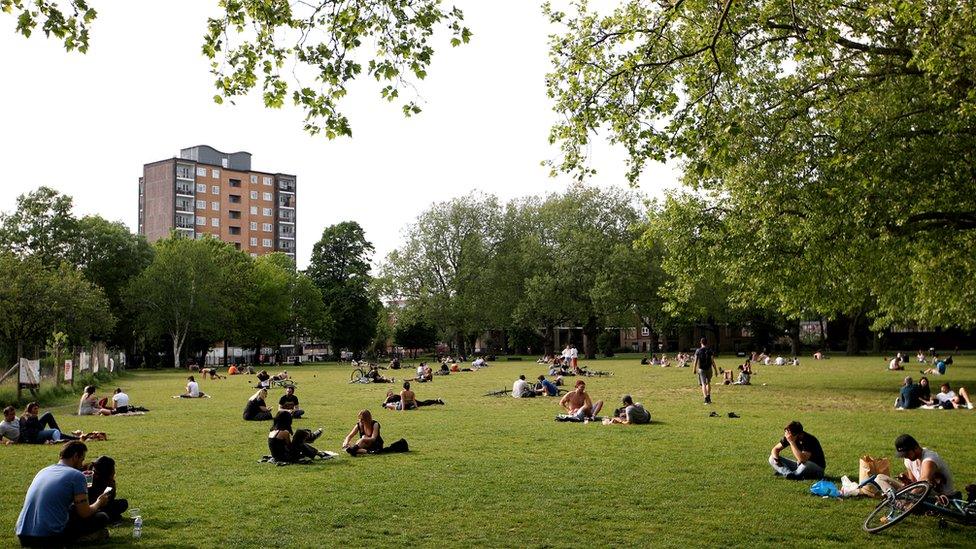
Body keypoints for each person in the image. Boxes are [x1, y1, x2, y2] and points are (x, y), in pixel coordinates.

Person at [15, 441, 112, 546]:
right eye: (82, 459)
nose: (81, 464)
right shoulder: (77, 475)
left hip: (23, 535)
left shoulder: (43, 471)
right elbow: (85, 513)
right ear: (75, 456)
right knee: (101, 517)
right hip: (48, 537)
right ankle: (80, 540)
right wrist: (99, 502)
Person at [87, 456, 128, 523]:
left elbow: (110, 499)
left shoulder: (103, 478)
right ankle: (112, 518)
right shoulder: (90, 479)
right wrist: (111, 482)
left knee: (123, 503)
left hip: (101, 506)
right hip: (92, 508)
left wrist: (111, 481)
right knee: (106, 512)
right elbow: (106, 500)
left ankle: (112, 517)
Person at [693, 337, 716, 404]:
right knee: (708, 383)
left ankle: (706, 399)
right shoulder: (710, 350)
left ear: (701, 342)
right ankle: (709, 397)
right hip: (709, 368)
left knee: (703, 384)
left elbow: (696, 361)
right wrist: (716, 370)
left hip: (701, 369)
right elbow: (712, 361)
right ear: (707, 343)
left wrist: (694, 369)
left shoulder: (698, 350)